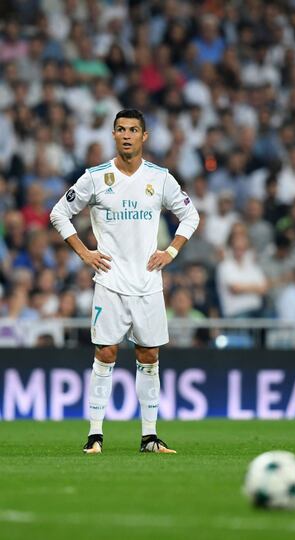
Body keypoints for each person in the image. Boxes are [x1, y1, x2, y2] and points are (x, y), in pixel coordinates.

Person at [50, 108, 199, 454]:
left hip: (148, 282)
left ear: (144, 137)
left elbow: (190, 214)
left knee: (149, 356)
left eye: (133, 129)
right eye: (121, 129)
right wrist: (84, 253)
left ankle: (149, 436)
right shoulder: (95, 177)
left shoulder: (160, 178)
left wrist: (172, 252)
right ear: (113, 135)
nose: (127, 135)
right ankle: (95, 436)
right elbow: (59, 212)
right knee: (105, 352)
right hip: (110, 281)